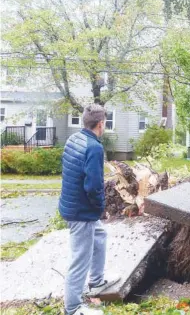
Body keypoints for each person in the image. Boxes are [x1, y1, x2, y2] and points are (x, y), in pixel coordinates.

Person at [59, 104, 119, 315]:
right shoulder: (94, 147)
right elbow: (93, 186)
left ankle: (96, 282)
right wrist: (100, 207)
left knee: (100, 235)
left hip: (72, 205)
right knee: (80, 258)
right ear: (101, 124)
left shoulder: (74, 139)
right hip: (81, 212)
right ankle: (73, 308)